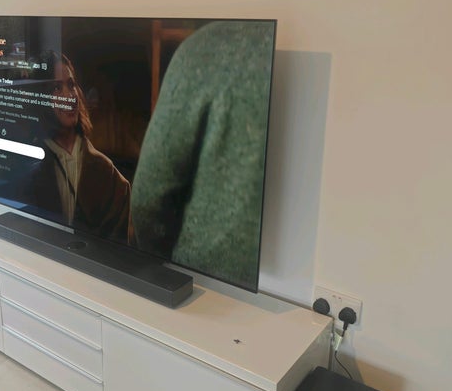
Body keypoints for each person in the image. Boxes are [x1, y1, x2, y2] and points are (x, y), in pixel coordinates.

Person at [130, 20, 275, 290]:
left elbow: (148, 196)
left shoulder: (207, 47)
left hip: (194, 279)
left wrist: (158, 265)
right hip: (275, 288)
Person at [22, 51, 133, 244]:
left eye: (71, 85)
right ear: (40, 98)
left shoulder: (111, 177)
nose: (69, 96)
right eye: (57, 88)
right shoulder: (28, 167)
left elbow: (117, 252)